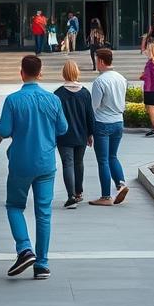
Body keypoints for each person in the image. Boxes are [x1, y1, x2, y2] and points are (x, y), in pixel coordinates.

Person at [0, 56, 67, 279]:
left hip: (20, 162)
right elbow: (63, 128)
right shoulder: (53, 99)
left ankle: (24, 248)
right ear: (40, 73)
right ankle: (42, 264)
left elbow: (4, 131)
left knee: (14, 206)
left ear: (21, 73)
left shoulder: (13, 100)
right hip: (46, 162)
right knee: (43, 213)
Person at [88, 49, 129, 206]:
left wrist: (88, 129)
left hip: (103, 122)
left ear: (101, 62)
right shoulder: (121, 78)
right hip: (118, 121)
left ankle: (106, 196)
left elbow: (94, 106)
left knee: (103, 160)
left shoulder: (100, 81)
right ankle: (120, 184)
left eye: (96, 60)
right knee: (113, 156)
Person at [54, 60, 95, 209]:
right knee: (79, 163)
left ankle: (70, 195)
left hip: (64, 136)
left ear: (64, 73)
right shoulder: (85, 93)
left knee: (68, 164)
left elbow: (55, 117)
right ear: (77, 72)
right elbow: (90, 115)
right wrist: (91, 133)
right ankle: (79, 192)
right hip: (81, 135)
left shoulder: (58, 94)